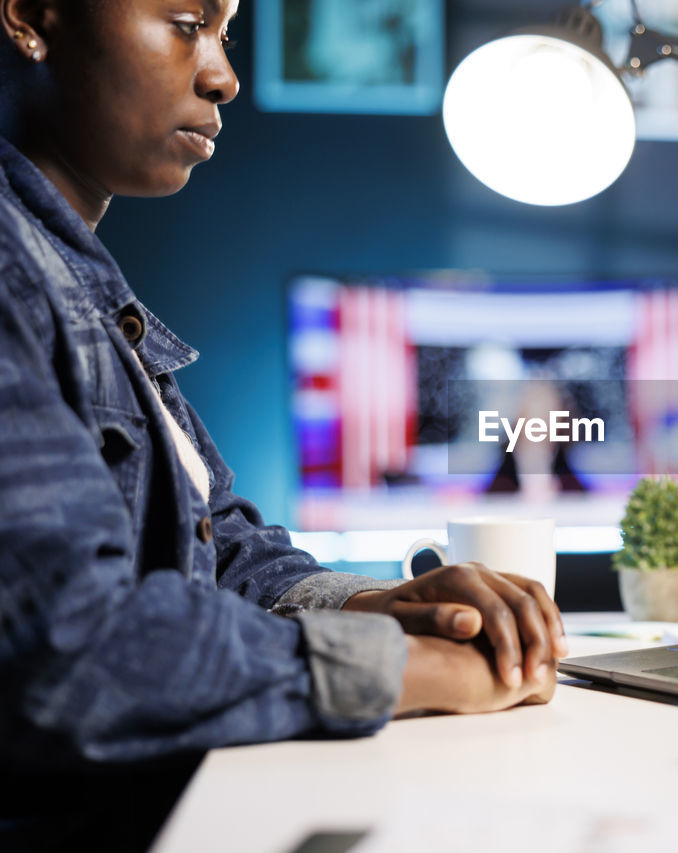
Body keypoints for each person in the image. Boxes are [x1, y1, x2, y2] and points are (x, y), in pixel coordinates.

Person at [0, 1, 565, 847]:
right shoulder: (12, 276)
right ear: (33, 17)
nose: (224, 74)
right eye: (188, 22)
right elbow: (74, 650)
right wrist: (409, 667)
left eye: (225, 33)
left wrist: (384, 605)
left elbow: (215, 543)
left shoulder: (73, 281)